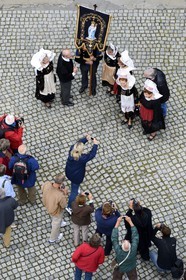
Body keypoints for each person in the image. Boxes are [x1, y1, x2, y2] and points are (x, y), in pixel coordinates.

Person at [65, 135, 99, 215]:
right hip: (77, 177)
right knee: (74, 192)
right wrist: (95, 144)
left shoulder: (71, 150)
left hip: (69, 172)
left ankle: (74, 189)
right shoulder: (82, 158)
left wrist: (85, 139)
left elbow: (77, 144)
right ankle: (69, 207)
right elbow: (92, 154)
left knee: (74, 185)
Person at [41, 174, 68, 243]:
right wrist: (65, 193)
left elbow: (42, 188)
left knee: (55, 218)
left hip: (47, 204)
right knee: (56, 223)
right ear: (61, 183)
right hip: (55, 211)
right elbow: (64, 205)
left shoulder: (47, 184)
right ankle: (53, 238)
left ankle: (61, 222)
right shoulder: (60, 195)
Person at [111, 216, 139, 280]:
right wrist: (130, 221)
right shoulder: (133, 248)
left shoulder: (118, 250)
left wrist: (118, 222)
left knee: (116, 278)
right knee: (133, 277)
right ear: (130, 245)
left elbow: (114, 238)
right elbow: (135, 236)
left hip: (120, 267)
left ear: (122, 245)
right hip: (131, 267)